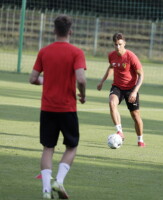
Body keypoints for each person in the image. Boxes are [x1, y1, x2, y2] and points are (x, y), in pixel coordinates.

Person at [29, 15, 87, 199]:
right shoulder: (76, 52)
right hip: (67, 108)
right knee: (71, 147)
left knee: (48, 148)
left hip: (47, 108)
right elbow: (81, 79)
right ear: (70, 31)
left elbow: (32, 78)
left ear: (54, 30)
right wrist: (83, 94)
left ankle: (46, 191)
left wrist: (47, 80)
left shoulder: (44, 52)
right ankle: (59, 181)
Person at [97, 33, 145, 147]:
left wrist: (134, 91)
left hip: (131, 88)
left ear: (124, 43)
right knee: (112, 102)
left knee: (135, 116)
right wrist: (102, 81)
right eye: (115, 45)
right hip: (117, 86)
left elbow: (141, 75)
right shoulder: (111, 55)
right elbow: (111, 67)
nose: (118, 47)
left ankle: (140, 139)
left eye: (120, 44)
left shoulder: (131, 56)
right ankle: (119, 131)